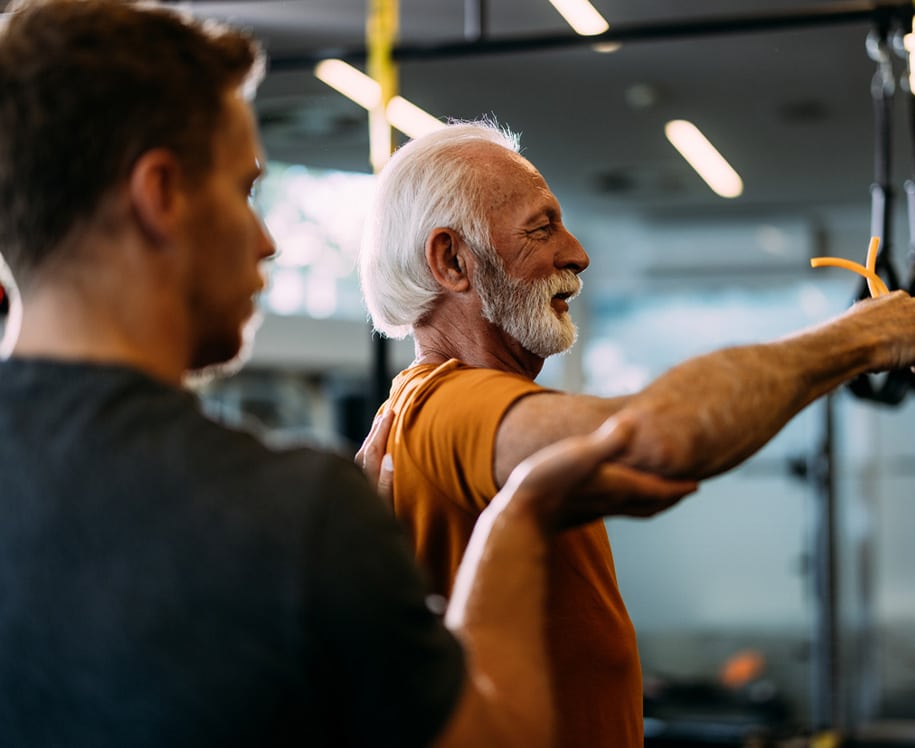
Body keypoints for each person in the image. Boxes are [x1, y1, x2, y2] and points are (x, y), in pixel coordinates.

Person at [0, 2, 697, 747]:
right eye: (243, 191)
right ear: (162, 195)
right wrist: (518, 520)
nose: (267, 240)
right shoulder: (297, 514)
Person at [358, 120, 915, 748]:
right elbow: (658, 438)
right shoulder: (450, 406)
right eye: (541, 227)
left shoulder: (431, 408)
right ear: (453, 261)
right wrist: (860, 338)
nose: (577, 253)